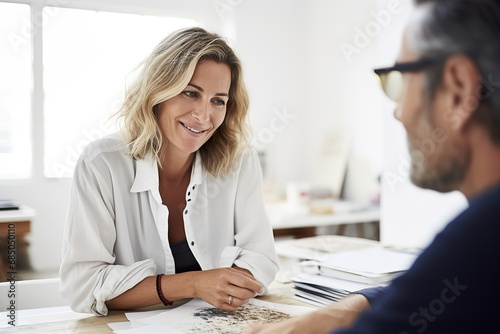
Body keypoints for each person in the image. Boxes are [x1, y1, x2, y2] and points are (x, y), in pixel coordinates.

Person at [246, 0, 500, 333]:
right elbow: (433, 290)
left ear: (458, 90)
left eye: (397, 81)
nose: (398, 112)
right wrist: (348, 308)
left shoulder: (480, 236)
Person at [59, 27, 279, 316]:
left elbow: (262, 257)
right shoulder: (101, 164)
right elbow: (83, 286)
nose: (203, 115)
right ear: (158, 91)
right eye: (190, 93)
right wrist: (194, 284)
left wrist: (227, 286)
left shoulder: (239, 160)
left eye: (218, 101)